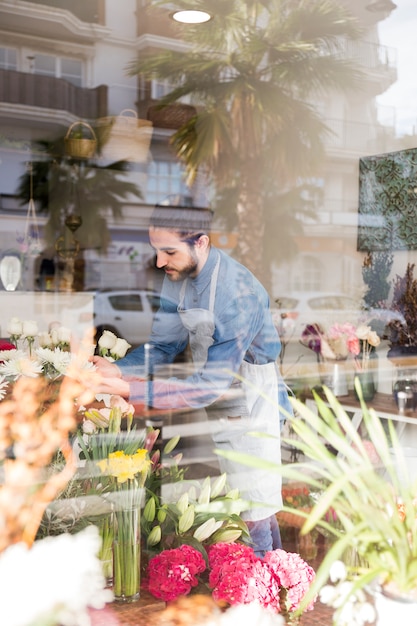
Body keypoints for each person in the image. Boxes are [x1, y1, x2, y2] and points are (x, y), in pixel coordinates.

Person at [91, 206, 293, 556]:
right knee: (250, 503)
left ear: (201, 243)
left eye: (169, 251)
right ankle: (282, 586)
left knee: (255, 507)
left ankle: (267, 596)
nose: (159, 262)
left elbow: (207, 385)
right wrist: (118, 369)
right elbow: (164, 347)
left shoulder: (238, 293)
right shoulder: (177, 278)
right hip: (219, 395)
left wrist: (129, 390)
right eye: (157, 250)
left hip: (251, 397)